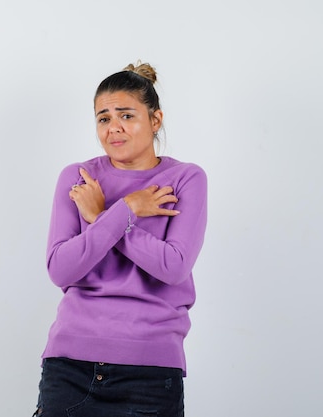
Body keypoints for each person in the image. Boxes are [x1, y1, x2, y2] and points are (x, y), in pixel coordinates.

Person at [33, 61, 208, 417]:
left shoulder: (185, 179)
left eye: (126, 115)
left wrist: (100, 218)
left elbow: (172, 267)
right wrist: (127, 209)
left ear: (155, 120)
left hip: (150, 371)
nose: (114, 128)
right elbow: (61, 270)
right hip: (70, 368)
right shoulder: (78, 177)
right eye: (103, 118)